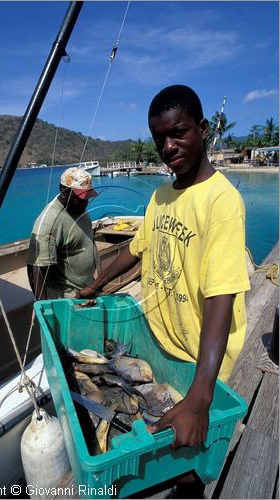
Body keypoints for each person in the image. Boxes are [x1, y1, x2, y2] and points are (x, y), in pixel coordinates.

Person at [78, 85, 250, 497]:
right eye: (160, 139)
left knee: (190, 467)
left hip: (199, 364)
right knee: (159, 459)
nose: (168, 146)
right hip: (161, 351)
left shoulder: (221, 202)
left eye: (179, 133)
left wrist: (199, 398)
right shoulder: (159, 196)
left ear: (203, 130)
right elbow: (136, 251)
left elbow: (220, 300)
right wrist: (96, 283)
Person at [27, 167, 99, 300]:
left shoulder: (78, 207)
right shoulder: (49, 222)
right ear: (64, 192)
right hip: (69, 297)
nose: (85, 201)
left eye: (87, 196)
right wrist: (45, 309)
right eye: (80, 197)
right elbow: (35, 269)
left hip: (88, 288)